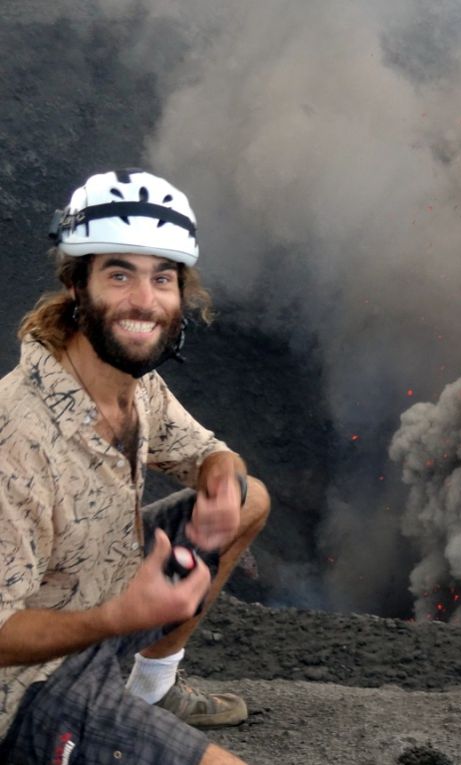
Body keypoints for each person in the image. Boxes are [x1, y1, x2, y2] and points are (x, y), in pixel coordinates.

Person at [0, 169, 271, 764]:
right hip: (28, 690)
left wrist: (222, 479)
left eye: (162, 278)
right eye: (119, 274)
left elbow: (207, 452)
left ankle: (152, 690)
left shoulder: (129, 380)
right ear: (77, 285)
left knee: (249, 495)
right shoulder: (16, 438)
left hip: (101, 601)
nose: (144, 301)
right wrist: (120, 616)